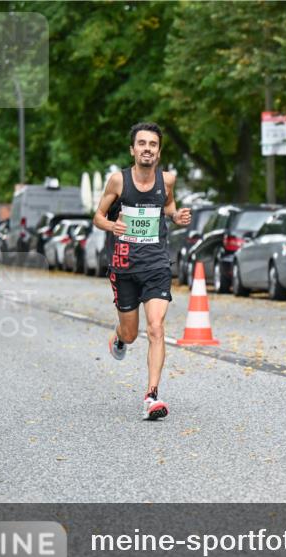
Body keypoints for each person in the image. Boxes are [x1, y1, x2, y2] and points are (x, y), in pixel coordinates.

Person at [92, 122, 191, 420]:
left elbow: (169, 207)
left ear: (159, 152)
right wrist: (112, 225)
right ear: (132, 149)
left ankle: (151, 396)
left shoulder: (167, 180)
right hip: (124, 267)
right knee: (132, 334)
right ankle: (119, 337)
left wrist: (176, 216)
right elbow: (97, 216)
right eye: (142, 143)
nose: (147, 148)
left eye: (153, 144)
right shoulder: (118, 182)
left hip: (157, 264)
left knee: (156, 327)